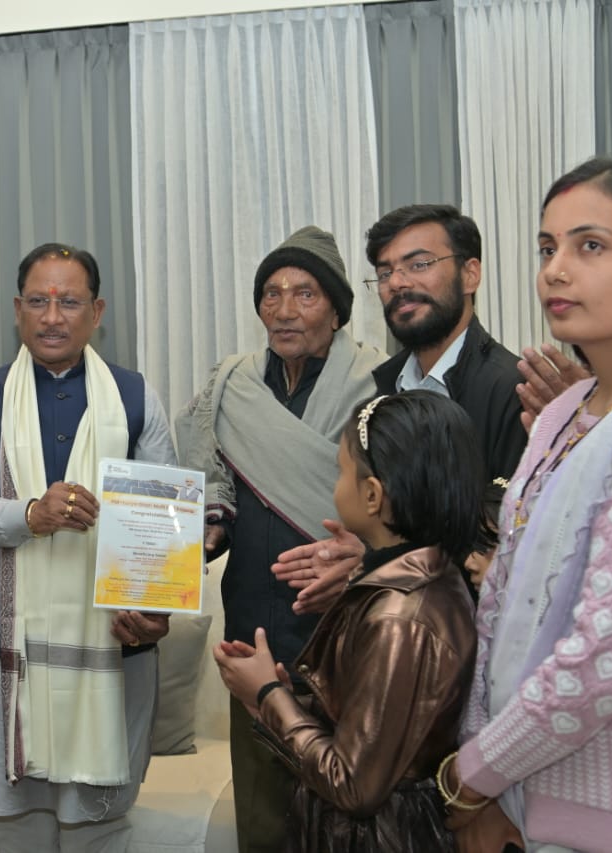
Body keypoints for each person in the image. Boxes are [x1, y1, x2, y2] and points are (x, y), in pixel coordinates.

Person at [446, 158, 612, 852]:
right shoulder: (564, 413)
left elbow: (610, 651)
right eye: (547, 247)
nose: (555, 271)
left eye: (591, 245)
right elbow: (501, 607)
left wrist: (470, 778)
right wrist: (486, 774)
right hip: (525, 792)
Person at [0, 242, 175, 852]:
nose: (53, 317)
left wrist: (154, 612)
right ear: (18, 310)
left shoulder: (135, 396)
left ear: (97, 312)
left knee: (101, 827)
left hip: (117, 647)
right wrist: (28, 515)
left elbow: (165, 522)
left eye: (69, 302)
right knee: (18, 826)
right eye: (38, 301)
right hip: (7, 649)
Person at [175, 226, 384, 851]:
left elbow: (409, 517)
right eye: (272, 293)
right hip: (252, 634)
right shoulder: (231, 385)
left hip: (344, 638)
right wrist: (207, 529)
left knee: (346, 816)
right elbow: (210, 487)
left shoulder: (379, 385)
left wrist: (367, 555)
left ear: (337, 311)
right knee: (264, 821)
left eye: (305, 294)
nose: (285, 309)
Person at [214, 391, 480, 852]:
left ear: (372, 495)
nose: (336, 485)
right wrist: (281, 703)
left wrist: (268, 695)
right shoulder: (410, 584)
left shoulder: (401, 617)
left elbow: (352, 783)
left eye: (341, 471)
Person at [274, 207, 530, 604]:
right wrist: (366, 556)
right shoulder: (382, 387)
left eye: (419, 264)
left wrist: (381, 565)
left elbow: (514, 546)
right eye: (385, 272)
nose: (397, 282)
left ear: (470, 274)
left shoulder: (514, 389)